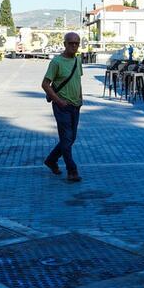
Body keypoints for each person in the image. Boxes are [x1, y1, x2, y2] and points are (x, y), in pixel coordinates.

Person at [42, 32, 84, 183]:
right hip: (62, 106)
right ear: (64, 44)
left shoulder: (78, 60)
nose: (74, 46)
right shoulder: (56, 62)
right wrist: (59, 101)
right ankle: (72, 170)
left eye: (76, 43)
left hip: (75, 105)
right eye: (71, 43)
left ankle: (51, 160)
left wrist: (80, 98)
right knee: (66, 138)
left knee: (70, 138)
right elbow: (45, 84)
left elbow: (77, 80)